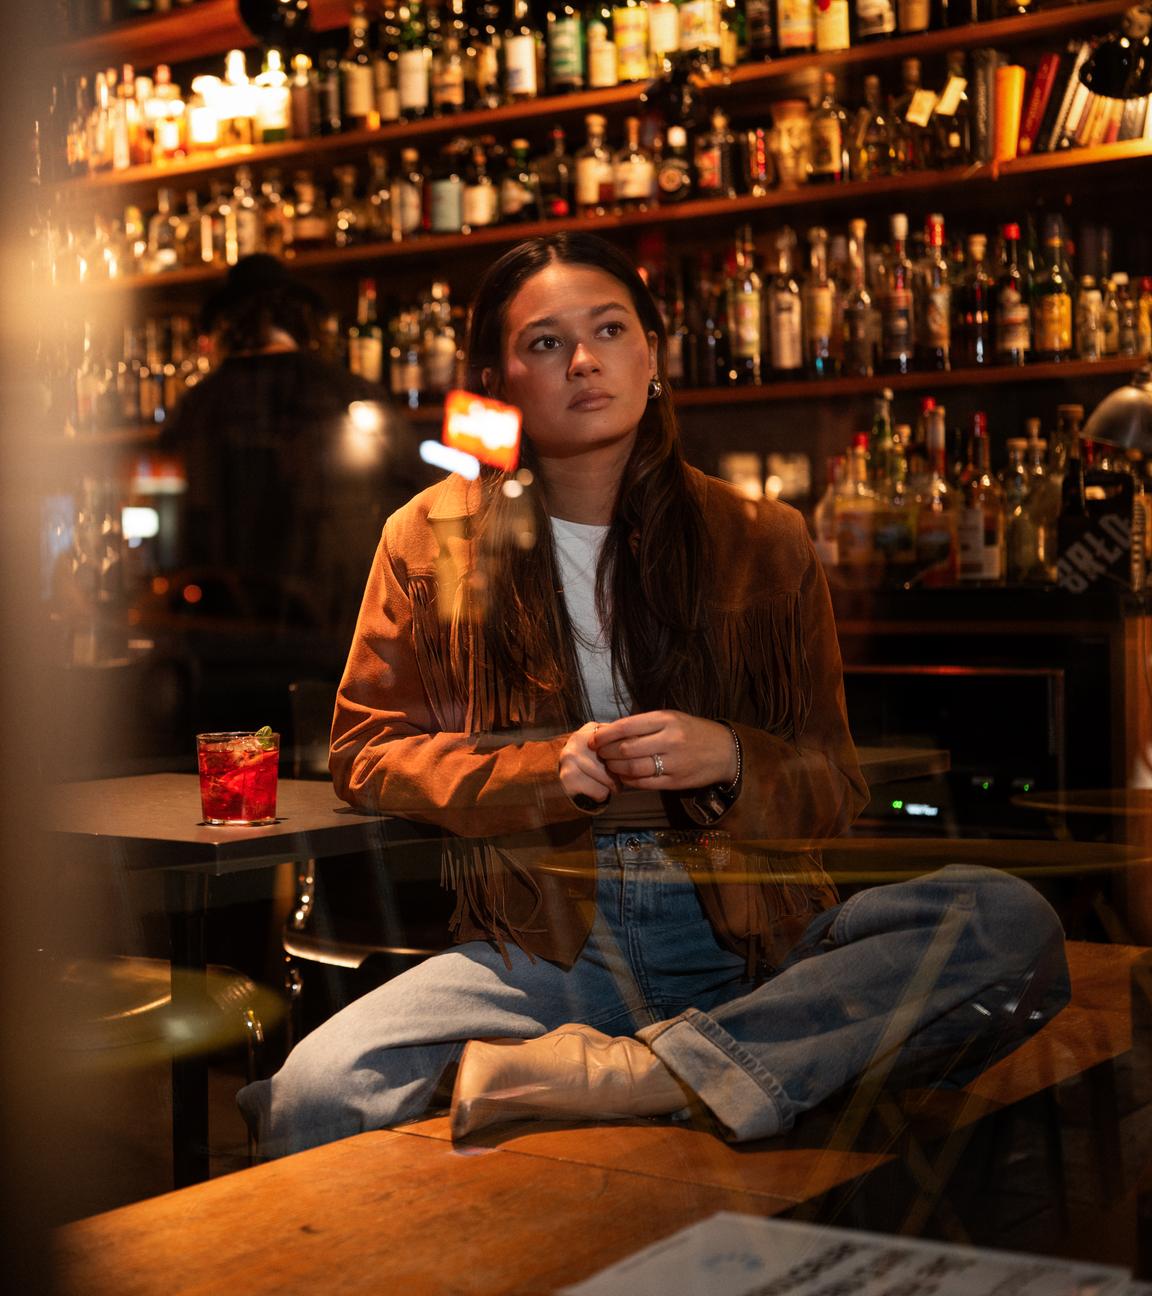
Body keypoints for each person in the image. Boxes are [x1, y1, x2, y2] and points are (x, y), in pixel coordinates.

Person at [237, 232, 1069, 1155]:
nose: (584, 360)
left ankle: (641, 1073)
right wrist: (540, 773)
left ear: (654, 356)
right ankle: (724, 1070)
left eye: (609, 330)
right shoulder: (430, 540)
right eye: (545, 343)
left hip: (758, 934)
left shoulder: (764, 538)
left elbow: (834, 783)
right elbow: (364, 750)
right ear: (499, 379)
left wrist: (736, 759)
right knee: (315, 1092)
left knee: (1005, 921)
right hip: (549, 940)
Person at [162, 253, 428, 660]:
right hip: (340, 630)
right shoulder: (348, 394)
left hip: (218, 640)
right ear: (301, 318)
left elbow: (163, 521)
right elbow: (413, 502)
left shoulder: (195, 408)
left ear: (226, 325)